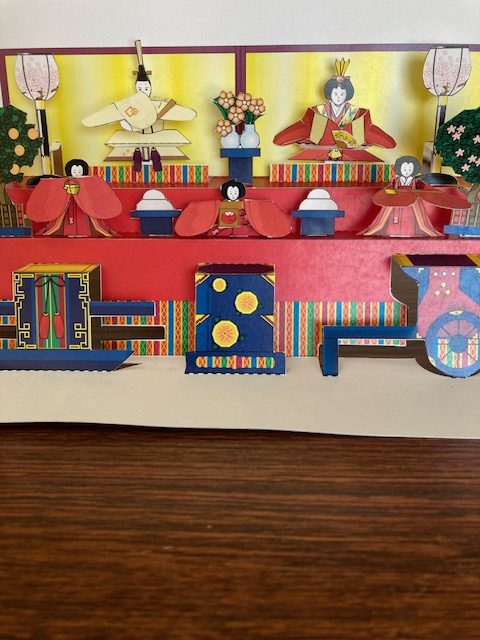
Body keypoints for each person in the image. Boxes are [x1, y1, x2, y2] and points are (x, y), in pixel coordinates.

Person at [273, 59, 395, 161]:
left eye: (342, 94)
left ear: (347, 95)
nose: (338, 97)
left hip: (350, 156)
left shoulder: (356, 113)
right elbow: (302, 128)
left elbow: (372, 133)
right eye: (335, 93)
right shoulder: (319, 111)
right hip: (321, 152)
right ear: (329, 94)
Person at [361, 156, 468, 237]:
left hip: (412, 203)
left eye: (410, 169)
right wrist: (390, 192)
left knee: (414, 220)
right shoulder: (395, 181)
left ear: (414, 170)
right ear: (399, 169)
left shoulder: (416, 182)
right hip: (396, 203)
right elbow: (388, 189)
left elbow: (427, 190)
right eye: (404, 168)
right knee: (390, 218)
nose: (407, 171)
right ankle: (393, 231)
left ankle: (409, 232)